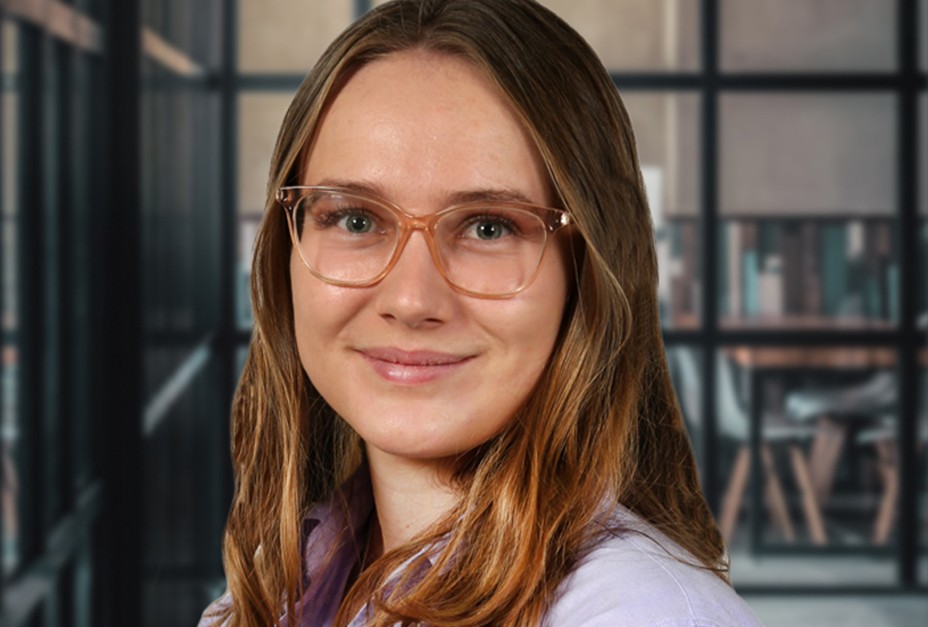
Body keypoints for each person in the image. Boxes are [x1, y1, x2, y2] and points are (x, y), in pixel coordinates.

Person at [202, 0, 763, 625]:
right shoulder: (285, 581)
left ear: (587, 271)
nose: (411, 300)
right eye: (355, 220)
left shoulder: (645, 614)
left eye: (488, 227)